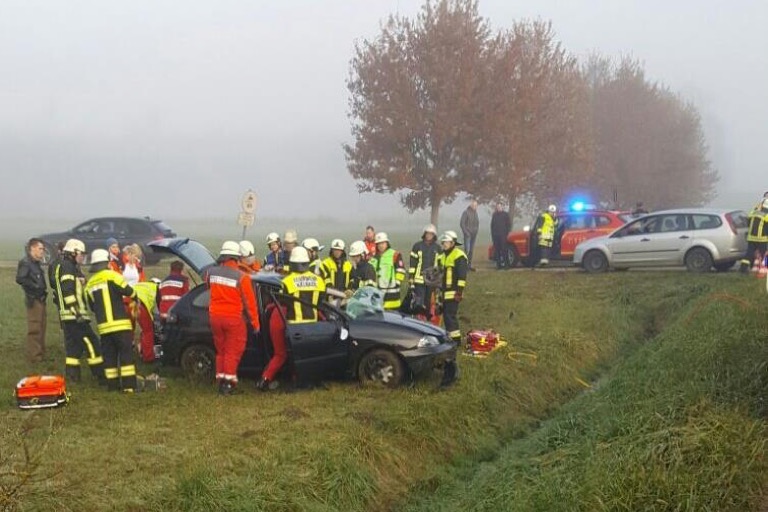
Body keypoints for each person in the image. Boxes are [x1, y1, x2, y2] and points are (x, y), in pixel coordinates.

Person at [257, 246, 326, 391]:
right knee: (308, 356)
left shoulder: (288, 282)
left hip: (294, 325)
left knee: (294, 356)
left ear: (292, 263)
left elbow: (284, 302)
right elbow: (321, 303)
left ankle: (294, 382)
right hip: (312, 325)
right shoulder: (319, 281)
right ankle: (306, 382)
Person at [206, 241, 260, 395]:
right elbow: (250, 304)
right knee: (232, 351)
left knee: (221, 350)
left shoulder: (211, 273)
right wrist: (255, 324)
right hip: (233, 319)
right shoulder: (242, 277)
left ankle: (221, 380)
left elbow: (208, 287)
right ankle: (228, 384)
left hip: (214, 317)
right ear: (237, 258)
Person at [85, 249, 139, 392]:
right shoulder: (113, 276)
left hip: (104, 328)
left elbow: (92, 307)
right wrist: (135, 298)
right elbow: (130, 292)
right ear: (107, 263)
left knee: (109, 357)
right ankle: (129, 386)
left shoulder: (89, 284)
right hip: (120, 325)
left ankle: (112, 386)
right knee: (126, 356)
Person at [51, 239, 105, 383]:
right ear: (73, 253)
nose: (83, 257)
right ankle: (100, 374)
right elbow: (67, 291)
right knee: (91, 343)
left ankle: (73, 376)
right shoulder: (67, 267)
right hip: (74, 316)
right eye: (81, 254)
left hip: (68, 315)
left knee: (73, 348)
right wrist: (76, 312)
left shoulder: (66, 266)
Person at [436, 230, 466, 387]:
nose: (443, 244)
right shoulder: (441, 257)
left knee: (450, 317)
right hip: (443, 293)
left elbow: (462, 275)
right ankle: (451, 339)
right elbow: (438, 275)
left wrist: (459, 291)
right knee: (446, 317)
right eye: (442, 242)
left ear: (453, 242)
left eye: (446, 242)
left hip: (454, 292)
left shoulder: (459, 255)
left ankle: (455, 341)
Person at [16, 238, 48, 363]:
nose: (42, 251)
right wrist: (35, 287)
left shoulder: (36, 263)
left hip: (41, 298)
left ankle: (41, 352)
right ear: (32, 248)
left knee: (42, 326)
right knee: (35, 328)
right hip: (34, 299)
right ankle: (35, 356)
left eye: (43, 249)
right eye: (40, 249)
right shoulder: (26, 263)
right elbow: (20, 279)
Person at [408, 224, 440, 319]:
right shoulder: (417, 246)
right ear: (424, 234)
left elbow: (440, 265)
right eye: (427, 233)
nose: (429, 235)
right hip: (419, 279)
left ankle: (426, 319)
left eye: (431, 234)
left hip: (432, 280)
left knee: (428, 301)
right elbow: (413, 263)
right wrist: (411, 277)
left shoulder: (438, 248)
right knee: (419, 301)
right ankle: (417, 319)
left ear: (434, 235)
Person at [370, 232, 406, 310]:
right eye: (379, 244)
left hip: (392, 293)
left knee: (393, 315)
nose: (381, 245)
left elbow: (401, 270)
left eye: (383, 243)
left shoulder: (395, 255)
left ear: (387, 243)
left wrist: (397, 283)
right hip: (378, 293)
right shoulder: (374, 258)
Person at [740, 199, 768, 273]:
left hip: (751, 237)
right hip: (762, 239)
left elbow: (748, 223)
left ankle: (743, 268)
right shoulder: (766, 215)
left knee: (749, 253)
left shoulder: (753, 212)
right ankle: (764, 268)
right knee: (764, 254)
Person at [460, 200, 479, 271]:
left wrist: (476, 231)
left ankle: (469, 266)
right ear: (471, 205)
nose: (475, 206)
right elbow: (462, 223)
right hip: (468, 235)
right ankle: (465, 266)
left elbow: (477, 223)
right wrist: (466, 233)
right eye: (473, 205)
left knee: (471, 251)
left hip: (474, 235)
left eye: (476, 205)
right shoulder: (466, 212)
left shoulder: (475, 213)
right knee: (467, 250)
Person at [491, 203, 512, 269]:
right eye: (498, 207)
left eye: (500, 206)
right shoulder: (494, 215)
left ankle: (506, 265)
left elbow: (509, 225)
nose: (499, 208)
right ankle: (499, 265)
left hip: (503, 236)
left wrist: (506, 233)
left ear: (502, 207)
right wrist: (493, 235)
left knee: (504, 250)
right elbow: (492, 226)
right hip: (495, 236)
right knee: (497, 251)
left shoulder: (505, 215)